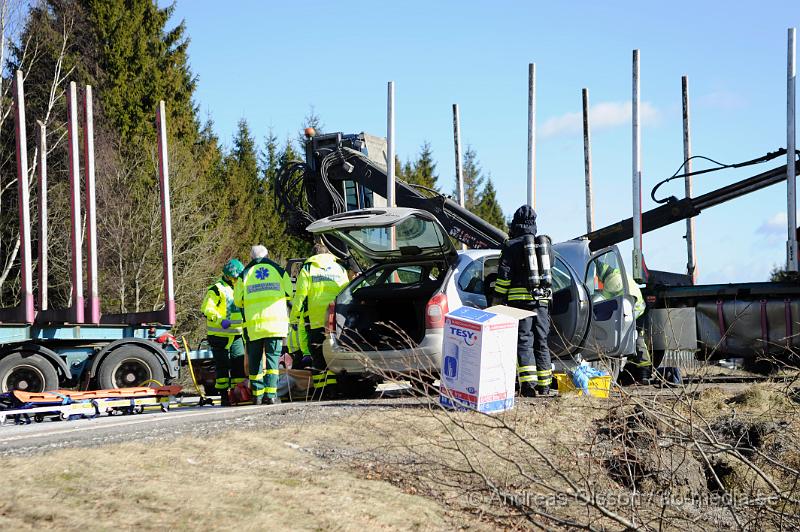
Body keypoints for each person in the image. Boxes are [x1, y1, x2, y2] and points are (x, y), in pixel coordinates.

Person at [491, 205, 553, 397]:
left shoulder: (511, 246)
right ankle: (545, 385)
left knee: (524, 341)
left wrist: (497, 299)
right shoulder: (544, 245)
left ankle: (528, 386)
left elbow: (504, 276)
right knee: (542, 340)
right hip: (542, 301)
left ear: (515, 224)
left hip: (520, 303)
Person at [234, 245, 293, 405]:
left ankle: (258, 396)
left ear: (251, 257)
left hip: (254, 327)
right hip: (275, 325)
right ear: (267, 255)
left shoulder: (244, 274)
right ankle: (271, 395)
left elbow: (238, 300)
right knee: (273, 361)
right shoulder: (279, 271)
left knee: (255, 361)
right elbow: (289, 293)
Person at [290, 240, 349, 395]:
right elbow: (346, 292)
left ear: (314, 254)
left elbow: (300, 295)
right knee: (335, 355)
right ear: (327, 253)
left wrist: (294, 318)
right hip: (335, 320)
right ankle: (336, 389)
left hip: (315, 320)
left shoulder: (308, 268)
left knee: (318, 356)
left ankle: (322, 391)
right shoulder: (340, 268)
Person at [200, 259, 246, 406]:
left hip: (237, 334)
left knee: (238, 364)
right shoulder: (216, 289)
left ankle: (237, 393)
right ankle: (224, 395)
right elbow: (207, 309)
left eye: (236, 278)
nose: (234, 280)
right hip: (219, 335)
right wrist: (220, 320)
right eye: (232, 278)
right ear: (226, 276)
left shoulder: (242, 286)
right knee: (222, 366)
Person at [595, 263, 651, 383]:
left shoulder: (611, 280)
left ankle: (644, 372)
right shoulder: (619, 274)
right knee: (635, 340)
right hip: (636, 310)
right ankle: (640, 373)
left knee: (637, 341)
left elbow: (603, 300)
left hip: (635, 312)